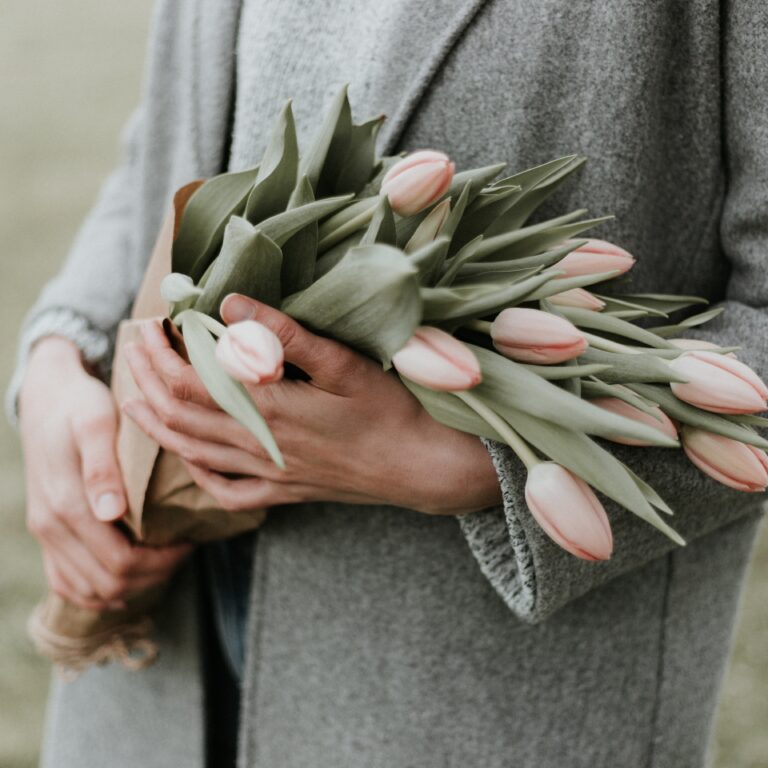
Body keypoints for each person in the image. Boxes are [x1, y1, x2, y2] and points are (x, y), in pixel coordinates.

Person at [10, 1, 767, 766]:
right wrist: (59, 350)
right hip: (156, 677)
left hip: (471, 699)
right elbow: (166, 138)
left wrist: (473, 467)